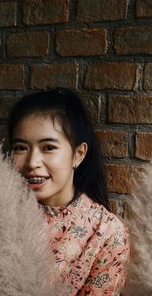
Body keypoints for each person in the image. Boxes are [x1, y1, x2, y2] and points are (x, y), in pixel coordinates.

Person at [8, 88, 130, 296]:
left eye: (48, 147)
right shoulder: (2, 210)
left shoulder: (106, 233)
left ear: (78, 154)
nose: (32, 163)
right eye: (21, 148)